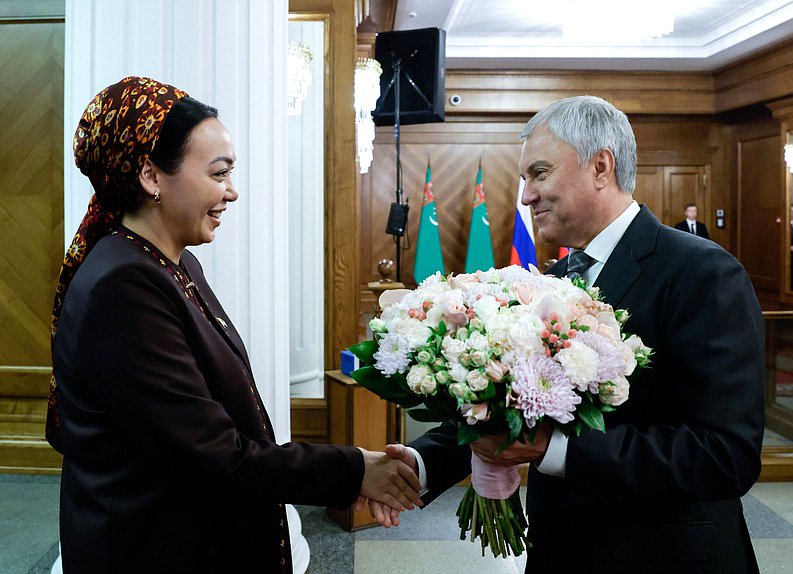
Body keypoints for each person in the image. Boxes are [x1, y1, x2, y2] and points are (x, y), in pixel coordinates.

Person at [370, 96, 765, 573]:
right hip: (561, 550)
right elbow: (506, 409)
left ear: (601, 167)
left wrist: (554, 449)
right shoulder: (557, 277)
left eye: (539, 174)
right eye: (525, 179)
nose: (526, 196)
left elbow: (724, 456)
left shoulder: (702, 273)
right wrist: (419, 463)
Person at [46, 76, 421, 574]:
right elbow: (213, 456)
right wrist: (353, 470)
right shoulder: (124, 287)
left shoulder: (167, 263)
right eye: (219, 173)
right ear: (151, 176)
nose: (232, 192)